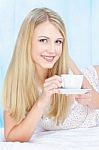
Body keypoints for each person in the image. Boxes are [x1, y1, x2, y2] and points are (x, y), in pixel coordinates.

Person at [3, 7, 99, 142]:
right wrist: (41, 102)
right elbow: (12, 136)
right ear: (26, 42)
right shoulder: (17, 83)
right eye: (43, 40)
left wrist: (88, 99)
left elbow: (97, 101)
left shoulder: (66, 65)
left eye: (58, 42)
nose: (52, 50)